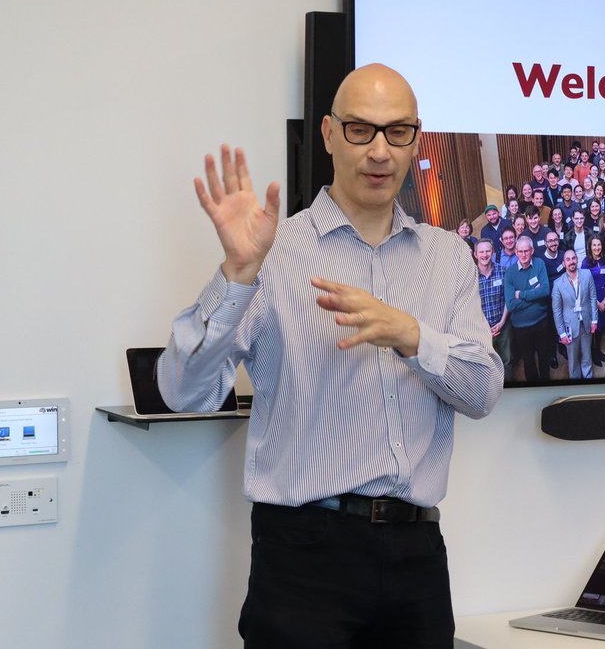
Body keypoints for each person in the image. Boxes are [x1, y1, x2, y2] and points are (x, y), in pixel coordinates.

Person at [158, 64, 502, 647]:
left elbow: (483, 392)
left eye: (397, 132)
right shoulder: (274, 251)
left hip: (418, 555)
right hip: (303, 559)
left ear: (415, 139)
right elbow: (182, 392)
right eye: (360, 130)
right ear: (328, 134)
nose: (379, 151)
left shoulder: (447, 257)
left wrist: (410, 335)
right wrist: (237, 275)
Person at [504, 235, 554, 382]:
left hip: (541, 322)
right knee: (528, 360)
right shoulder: (510, 273)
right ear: (516, 252)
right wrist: (535, 295)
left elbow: (545, 291)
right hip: (521, 327)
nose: (523, 254)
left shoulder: (539, 264)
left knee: (544, 356)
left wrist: (522, 294)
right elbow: (511, 304)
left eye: (526, 251)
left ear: (532, 250)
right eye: (520, 251)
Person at [552, 249, 598, 379]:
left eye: (573, 258)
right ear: (564, 263)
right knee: (573, 360)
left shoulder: (587, 275)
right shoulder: (558, 284)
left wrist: (594, 320)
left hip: (586, 322)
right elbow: (557, 311)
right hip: (570, 327)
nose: (571, 261)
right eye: (568, 259)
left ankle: (588, 377)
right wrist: (561, 333)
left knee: (587, 355)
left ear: (577, 259)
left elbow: (593, 298)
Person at [474, 238, 510, 376]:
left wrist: (502, 322)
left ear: (493, 252)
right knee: (486, 367)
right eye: (481, 252)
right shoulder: (470, 276)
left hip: (502, 327)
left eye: (488, 251)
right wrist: (484, 329)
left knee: (506, 362)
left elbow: (508, 299)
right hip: (480, 331)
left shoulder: (503, 271)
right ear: (475, 254)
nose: (485, 255)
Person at [582, 235, 605, 367]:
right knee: (593, 328)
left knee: (600, 327)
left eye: (599, 244)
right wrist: (597, 303)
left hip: (604, 298)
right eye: (594, 245)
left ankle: (598, 350)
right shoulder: (585, 263)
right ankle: (592, 353)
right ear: (590, 247)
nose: (597, 247)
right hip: (592, 301)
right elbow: (585, 286)